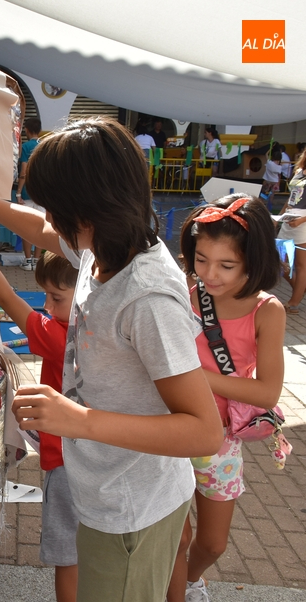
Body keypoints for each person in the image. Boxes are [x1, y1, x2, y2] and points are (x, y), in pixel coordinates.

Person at [0, 117, 223, 602]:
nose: (50, 218)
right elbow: (43, 230)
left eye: (56, 207)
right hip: (105, 492)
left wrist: (78, 419)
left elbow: (204, 430)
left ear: (87, 213)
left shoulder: (147, 299)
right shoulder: (102, 247)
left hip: (134, 507)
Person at [0, 208, 80, 602]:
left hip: (64, 460)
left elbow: (6, 296)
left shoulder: (59, 335)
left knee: (67, 556)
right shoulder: (102, 328)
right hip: (101, 459)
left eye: (55, 297)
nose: (46, 304)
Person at [166, 194, 285, 602]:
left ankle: (189, 580)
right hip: (169, 429)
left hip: (221, 439)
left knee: (213, 543)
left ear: (254, 260)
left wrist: (198, 378)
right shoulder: (183, 289)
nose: (209, 274)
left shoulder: (268, 310)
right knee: (176, 539)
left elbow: (267, 391)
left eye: (226, 265)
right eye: (201, 259)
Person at [277, 151, 306, 313]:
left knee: (301, 266)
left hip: (302, 222)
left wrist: (301, 221)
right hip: (289, 218)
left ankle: (294, 302)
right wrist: (280, 217)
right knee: (280, 261)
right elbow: (291, 197)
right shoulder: (299, 171)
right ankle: (299, 290)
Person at [16, 117, 43, 271]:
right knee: (41, 227)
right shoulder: (45, 145)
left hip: (27, 193)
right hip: (42, 195)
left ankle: (27, 261)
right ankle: (38, 260)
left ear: (27, 130)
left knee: (27, 228)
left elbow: (24, 171)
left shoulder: (26, 147)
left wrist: (19, 193)